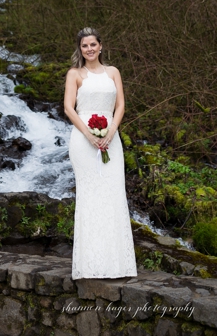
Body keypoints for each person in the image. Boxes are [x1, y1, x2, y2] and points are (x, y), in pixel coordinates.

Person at [62, 27, 138, 279]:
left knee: (114, 192)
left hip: (111, 138)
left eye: (93, 44)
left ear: (101, 46)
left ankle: (117, 265)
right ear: (80, 49)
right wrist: (89, 136)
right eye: (85, 46)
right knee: (91, 196)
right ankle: (90, 265)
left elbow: (121, 105)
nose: (90, 49)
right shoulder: (75, 74)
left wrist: (110, 133)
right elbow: (69, 108)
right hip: (83, 141)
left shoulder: (113, 72)